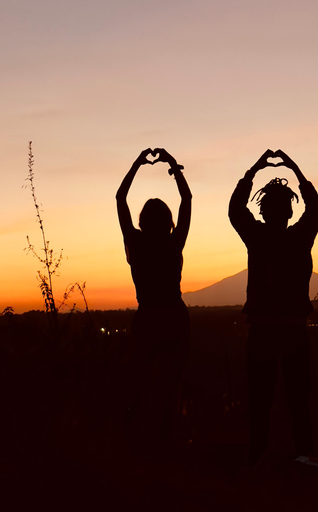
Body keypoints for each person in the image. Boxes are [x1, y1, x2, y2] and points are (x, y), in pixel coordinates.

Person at [229, 149, 318, 464]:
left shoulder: (255, 236)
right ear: (289, 211)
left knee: (260, 399)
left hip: (263, 330)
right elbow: (316, 209)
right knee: (299, 400)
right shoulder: (300, 236)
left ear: (264, 210)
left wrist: (257, 167)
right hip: (294, 330)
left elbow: (234, 208)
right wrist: (292, 167)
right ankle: (303, 458)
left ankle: (258, 457)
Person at [116, 147, 192, 452]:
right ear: (169, 221)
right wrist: (173, 167)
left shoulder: (136, 243)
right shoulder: (174, 243)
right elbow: (187, 200)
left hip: (147, 317)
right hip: (174, 316)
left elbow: (120, 199)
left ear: (143, 221)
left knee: (135, 382)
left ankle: (129, 440)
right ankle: (166, 440)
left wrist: (136, 164)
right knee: (170, 386)